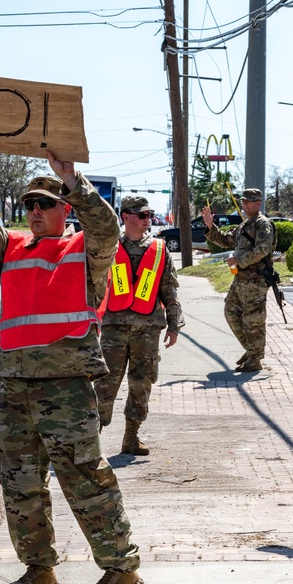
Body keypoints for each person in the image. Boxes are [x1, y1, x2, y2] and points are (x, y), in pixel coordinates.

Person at [0, 130, 142, 584]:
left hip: (66, 386)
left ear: (64, 209)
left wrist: (71, 178)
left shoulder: (85, 251)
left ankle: (121, 567)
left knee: (84, 477)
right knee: (18, 480)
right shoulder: (9, 249)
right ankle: (39, 569)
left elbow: (107, 229)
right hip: (13, 384)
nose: (35, 211)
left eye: (45, 203)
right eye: (29, 204)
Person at [94, 195, 185, 456]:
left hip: (147, 329)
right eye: (142, 215)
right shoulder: (109, 247)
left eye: (149, 215)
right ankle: (93, 440)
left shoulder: (159, 249)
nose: (148, 220)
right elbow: (94, 285)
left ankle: (131, 437)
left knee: (141, 383)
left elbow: (169, 289)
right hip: (113, 327)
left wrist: (174, 325)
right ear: (125, 217)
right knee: (105, 384)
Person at [200, 188, 277, 372]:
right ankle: (252, 351)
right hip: (240, 279)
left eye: (248, 201)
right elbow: (226, 240)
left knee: (253, 320)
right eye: (243, 201)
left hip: (255, 280)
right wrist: (211, 226)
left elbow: (263, 249)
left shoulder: (262, 224)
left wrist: (239, 261)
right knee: (230, 312)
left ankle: (255, 358)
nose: (244, 205)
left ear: (258, 203)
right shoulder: (245, 226)